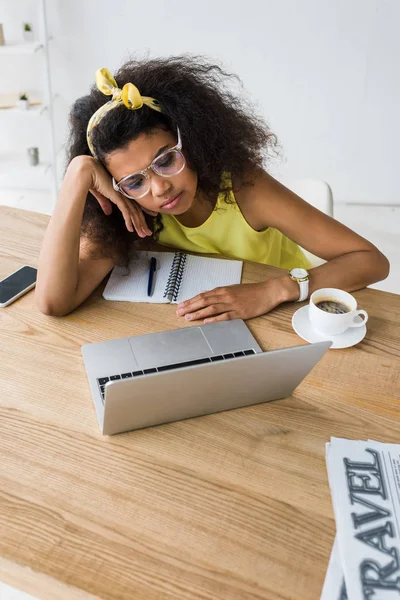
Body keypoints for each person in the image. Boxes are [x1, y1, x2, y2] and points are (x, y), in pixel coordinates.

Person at [36, 56, 389, 321]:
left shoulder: (245, 189)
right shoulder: (126, 215)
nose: (159, 188)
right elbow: (53, 302)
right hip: (196, 322)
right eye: (135, 182)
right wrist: (77, 176)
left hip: (281, 312)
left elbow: (371, 261)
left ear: (190, 139)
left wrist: (274, 289)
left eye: (165, 160)